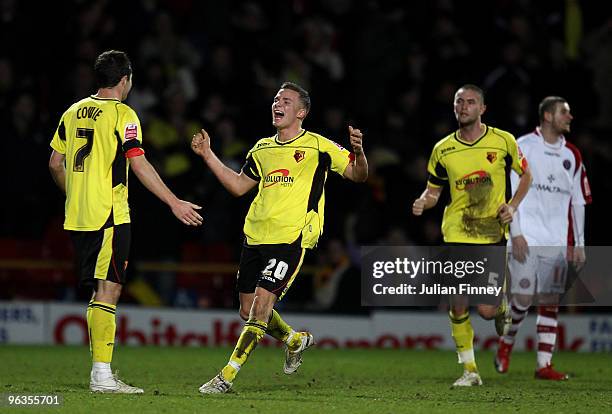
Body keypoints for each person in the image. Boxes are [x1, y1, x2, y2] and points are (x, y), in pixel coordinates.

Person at [191, 81, 368, 394]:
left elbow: (358, 174)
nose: (277, 104)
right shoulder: (261, 148)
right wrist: (207, 155)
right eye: (275, 99)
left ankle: (226, 377)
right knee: (247, 311)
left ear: (301, 112)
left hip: (291, 237)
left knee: (261, 307)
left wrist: (358, 152)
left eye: (286, 100)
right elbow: (237, 186)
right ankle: (295, 340)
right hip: (255, 236)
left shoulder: (318, 146)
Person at [49, 50, 203, 393]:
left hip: (77, 216)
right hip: (110, 215)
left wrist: (75, 194)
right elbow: (139, 162)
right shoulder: (123, 114)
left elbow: (55, 163)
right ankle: (101, 376)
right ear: (125, 80)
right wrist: (173, 201)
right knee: (109, 290)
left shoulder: (72, 111)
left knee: (100, 291)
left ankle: (100, 371)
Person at [412, 84, 532, 386]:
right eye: (459, 102)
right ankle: (470, 371)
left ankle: (501, 305)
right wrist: (423, 201)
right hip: (456, 233)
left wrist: (513, 206)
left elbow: (526, 175)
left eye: (470, 102)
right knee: (458, 302)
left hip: (491, 233)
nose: (464, 106)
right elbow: (434, 190)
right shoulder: (443, 149)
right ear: (454, 108)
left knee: (487, 311)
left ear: (482, 109)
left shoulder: (503, 140)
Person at [494, 96, 592, 380]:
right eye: (564, 112)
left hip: (557, 240)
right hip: (526, 236)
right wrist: (517, 233)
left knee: (550, 299)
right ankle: (507, 342)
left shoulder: (572, 155)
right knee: (523, 298)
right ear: (548, 116)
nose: (569, 118)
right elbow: (511, 191)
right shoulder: (523, 146)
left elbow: (578, 202)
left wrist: (579, 245)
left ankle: (543, 365)